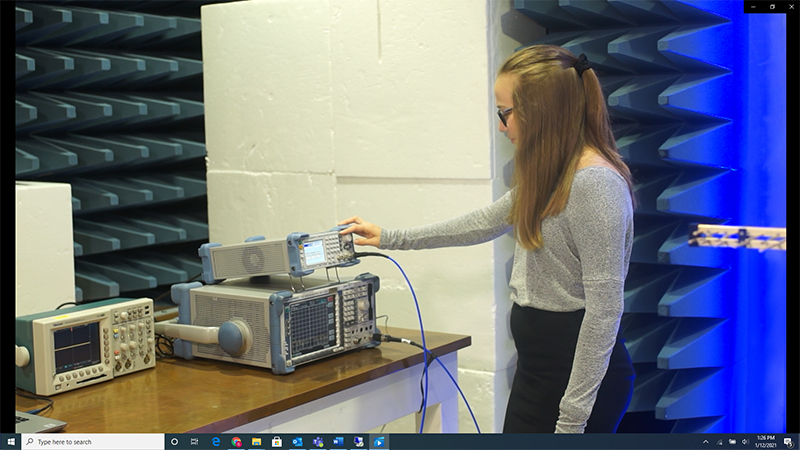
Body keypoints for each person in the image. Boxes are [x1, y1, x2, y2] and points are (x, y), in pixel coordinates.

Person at [338, 45, 636, 434]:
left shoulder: (596, 184)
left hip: (576, 383)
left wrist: (572, 420)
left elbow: (604, 311)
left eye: (504, 112)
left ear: (539, 111)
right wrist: (391, 237)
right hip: (539, 372)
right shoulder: (552, 174)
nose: (501, 126)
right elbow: (483, 223)